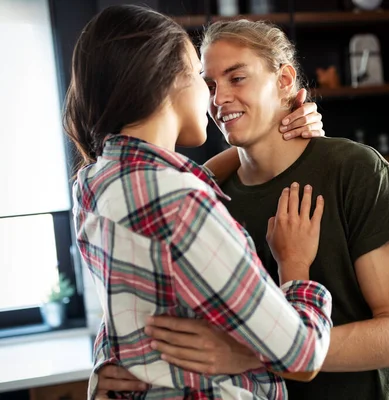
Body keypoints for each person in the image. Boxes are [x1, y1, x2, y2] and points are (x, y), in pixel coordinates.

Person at [97, 19, 389, 400]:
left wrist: (253, 354)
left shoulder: (355, 170)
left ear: (285, 81)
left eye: (237, 78)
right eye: (209, 85)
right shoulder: (203, 198)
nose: (218, 98)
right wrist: (111, 364)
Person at [65, 5, 335, 399]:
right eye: (200, 78)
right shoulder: (179, 203)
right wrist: (294, 263)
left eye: (235, 78)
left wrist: (273, 129)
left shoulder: (94, 182)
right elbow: (303, 354)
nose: (215, 98)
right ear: (166, 82)